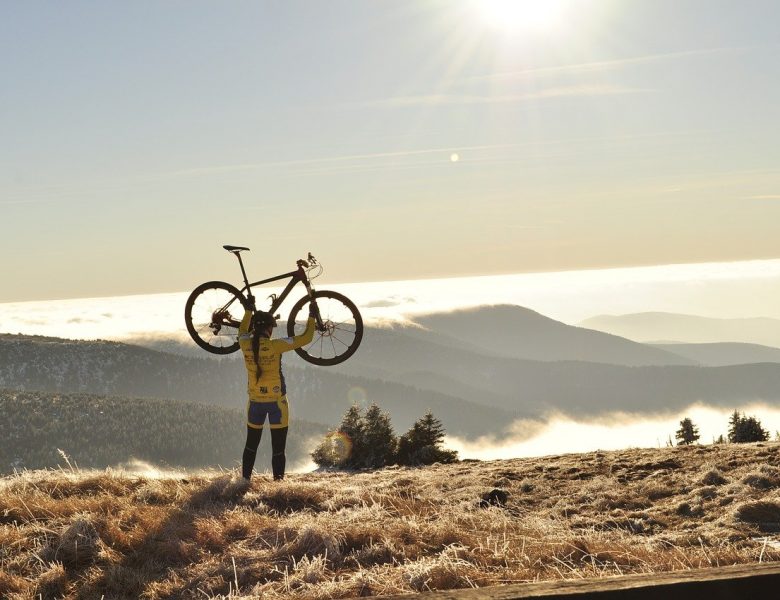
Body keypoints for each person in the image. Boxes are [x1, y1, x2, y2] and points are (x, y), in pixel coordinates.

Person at [237, 297, 315, 481]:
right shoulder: (275, 345)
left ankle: (243, 482)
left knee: (251, 445)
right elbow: (306, 337)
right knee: (278, 449)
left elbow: (241, 330)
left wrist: (248, 311)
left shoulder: (244, 343)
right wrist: (311, 315)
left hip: (255, 403)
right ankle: (278, 486)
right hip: (277, 404)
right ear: (269, 329)